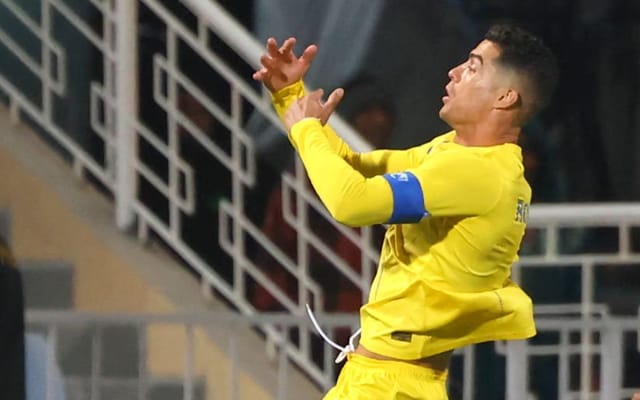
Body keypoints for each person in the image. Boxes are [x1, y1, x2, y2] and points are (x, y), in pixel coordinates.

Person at [253, 22, 558, 400]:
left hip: (391, 385)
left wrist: (306, 129)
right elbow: (355, 167)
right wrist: (290, 96)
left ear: (506, 96)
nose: (455, 72)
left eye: (473, 67)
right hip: (384, 378)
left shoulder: (479, 173)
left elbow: (351, 202)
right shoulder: (456, 153)